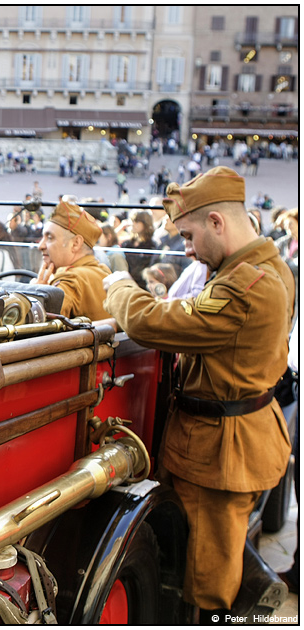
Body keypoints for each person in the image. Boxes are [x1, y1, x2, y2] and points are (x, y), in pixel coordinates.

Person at [103, 166, 295, 621]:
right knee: (215, 554)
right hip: (227, 439)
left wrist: (117, 284)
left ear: (217, 223)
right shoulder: (267, 268)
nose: (186, 248)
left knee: (207, 584)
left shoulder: (245, 286)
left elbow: (152, 323)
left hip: (219, 453)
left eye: (189, 235)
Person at [30, 201, 112, 320]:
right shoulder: (103, 272)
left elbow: (35, 326)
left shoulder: (70, 281)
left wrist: (35, 295)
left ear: (75, 244)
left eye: (50, 238)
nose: (41, 246)